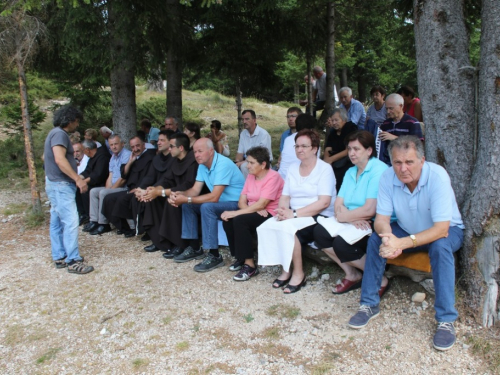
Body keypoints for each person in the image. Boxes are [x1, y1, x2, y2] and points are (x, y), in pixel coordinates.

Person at [348, 136, 464, 352]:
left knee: (440, 246)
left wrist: (402, 242)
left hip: (445, 231)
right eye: (397, 162)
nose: (402, 169)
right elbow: (381, 220)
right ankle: (369, 304)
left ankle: (446, 319)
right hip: (407, 229)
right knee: (375, 240)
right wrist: (388, 237)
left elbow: (441, 229)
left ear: (422, 160)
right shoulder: (387, 177)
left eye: (409, 162)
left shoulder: (437, 176)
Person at [257, 129, 336, 294]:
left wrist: (293, 214)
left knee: (290, 231)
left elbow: (324, 202)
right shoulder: (293, 168)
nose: (299, 149)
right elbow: (285, 195)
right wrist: (283, 210)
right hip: (295, 214)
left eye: (304, 146)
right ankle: (286, 269)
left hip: (319, 215)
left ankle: (298, 274)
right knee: (269, 225)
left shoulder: (324, 169)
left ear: (314, 148)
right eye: (297, 146)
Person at [313, 131, 388, 294]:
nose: (351, 153)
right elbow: (338, 203)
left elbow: (369, 209)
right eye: (349, 149)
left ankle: (379, 277)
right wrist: (349, 218)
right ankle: (352, 274)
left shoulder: (378, 170)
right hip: (353, 220)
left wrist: (343, 216)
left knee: (342, 245)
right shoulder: (351, 171)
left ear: (369, 151)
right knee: (319, 233)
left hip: (374, 222)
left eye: (356, 149)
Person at [168, 138, 245, 273]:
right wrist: (179, 194)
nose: (196, 155)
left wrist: (186, 199)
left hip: (237, 204)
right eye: (195, 152)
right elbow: (194, 190)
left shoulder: (222, 164)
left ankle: (214, 255)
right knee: (188, 205)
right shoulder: (203, 165)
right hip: (221, 203)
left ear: (211, 151)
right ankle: (195, 248)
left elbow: (214, 197)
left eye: (200, 151)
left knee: (206, 206)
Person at [221, 146, 284, 281]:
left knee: (239, 220)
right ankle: (240, 257)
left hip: (270, 213)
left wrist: (239, 212)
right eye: (247, 162)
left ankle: (250, 266)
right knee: (228, 220)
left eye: (251, 163)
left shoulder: (273, 177)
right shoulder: (251, 176)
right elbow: (241, 201)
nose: (247, 166)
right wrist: (250, 209)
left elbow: (262, 204)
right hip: (255, 210)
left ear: (263, 164)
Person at [44, 105, 93, 274]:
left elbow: (49, 158)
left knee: (57, 221)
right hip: (61, 185)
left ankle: (59, 256)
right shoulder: (60, 134)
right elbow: (59, 159)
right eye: (77, 121)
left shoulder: (54, 133)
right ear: (70, 120)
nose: (77, 125)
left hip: (54, 183)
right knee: (71, 221)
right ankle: (73, 260)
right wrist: (77, 178)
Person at [139, 133, 198, 254]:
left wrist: (160, 192)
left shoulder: (193, 161)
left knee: (172, 201)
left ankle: (178, 243)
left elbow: (188, 186)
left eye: (171, 146)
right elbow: (167, 180)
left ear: (181, 148)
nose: (169, 149)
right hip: (176, 191)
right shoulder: (176, 160)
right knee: (153, 199)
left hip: (191, 196)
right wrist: (154, 190)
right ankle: (160, 241)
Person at [98, 136, 156, 236]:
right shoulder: (134, 158)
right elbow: (124, 174)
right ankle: (124, 227)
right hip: (130, 188)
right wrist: (130, 161)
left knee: (122, 199)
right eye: (133, 147)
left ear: (143, 145)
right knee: (108, 199)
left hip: (141, 189)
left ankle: (134, 228)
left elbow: (149, 177)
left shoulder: (150, 157)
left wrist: (139, 188)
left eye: (137, 146)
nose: (135, 149)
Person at [83, 134, 131, 234]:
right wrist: (108, 188)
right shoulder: (113, 157)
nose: (113, 147)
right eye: (111, 145)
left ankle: (103, 224)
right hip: (115, 186)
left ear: (122, 144)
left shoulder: (127, 155)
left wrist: (110, 190)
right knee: (93, 191)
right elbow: (110, 175)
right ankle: (94, 220)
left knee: (103, 193)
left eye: (116, 144)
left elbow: (123, 179)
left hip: (124, 187)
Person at [378, 94, 423, 165]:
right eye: (386, 109)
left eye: (391, 108)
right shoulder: (385, 124)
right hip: (387, 161)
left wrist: (395, 138)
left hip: (406, 161)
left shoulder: (412, 122)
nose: (388, 111)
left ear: (401, 106)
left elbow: (417, 145)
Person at [323, 108, 358, 192]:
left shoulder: (350, 128)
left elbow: (348, 150)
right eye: (332, 120)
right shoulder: (333, 133)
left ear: (344, 119)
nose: (334, 123)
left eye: (336, 120)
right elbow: (328, 149)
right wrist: (327, 161)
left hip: (348, 161)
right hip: (335, 162)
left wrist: (330, 159)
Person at [78, 139, 111, 224]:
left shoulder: (102, 156)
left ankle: (90, 217)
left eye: (83, 150)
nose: (83, 152)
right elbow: (87, 171)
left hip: (102, 182)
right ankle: (83, 214)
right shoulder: (92, 156)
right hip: (94, 181)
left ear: (87, 149)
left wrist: (84, 182)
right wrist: (78, 178)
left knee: (85, 190)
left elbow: (98, 175)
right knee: (77, 188)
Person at [278, 113, 318, 180]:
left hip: (281, 177)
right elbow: (315, 164)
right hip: (298, 179)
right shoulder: (312, 140)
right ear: (312, 128)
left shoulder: (288, 139)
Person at [235, 109, 273, 178]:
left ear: (254, 120)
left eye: (247, 119)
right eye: (242, 119)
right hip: (248, 162)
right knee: (235, 166)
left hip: (262, 163)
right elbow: (240, 153)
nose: (244, 122)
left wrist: (243, 162)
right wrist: (237, 162)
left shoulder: (263, 134)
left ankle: (249, 187)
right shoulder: (243, 134)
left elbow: (262, 156)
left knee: (244, 166)